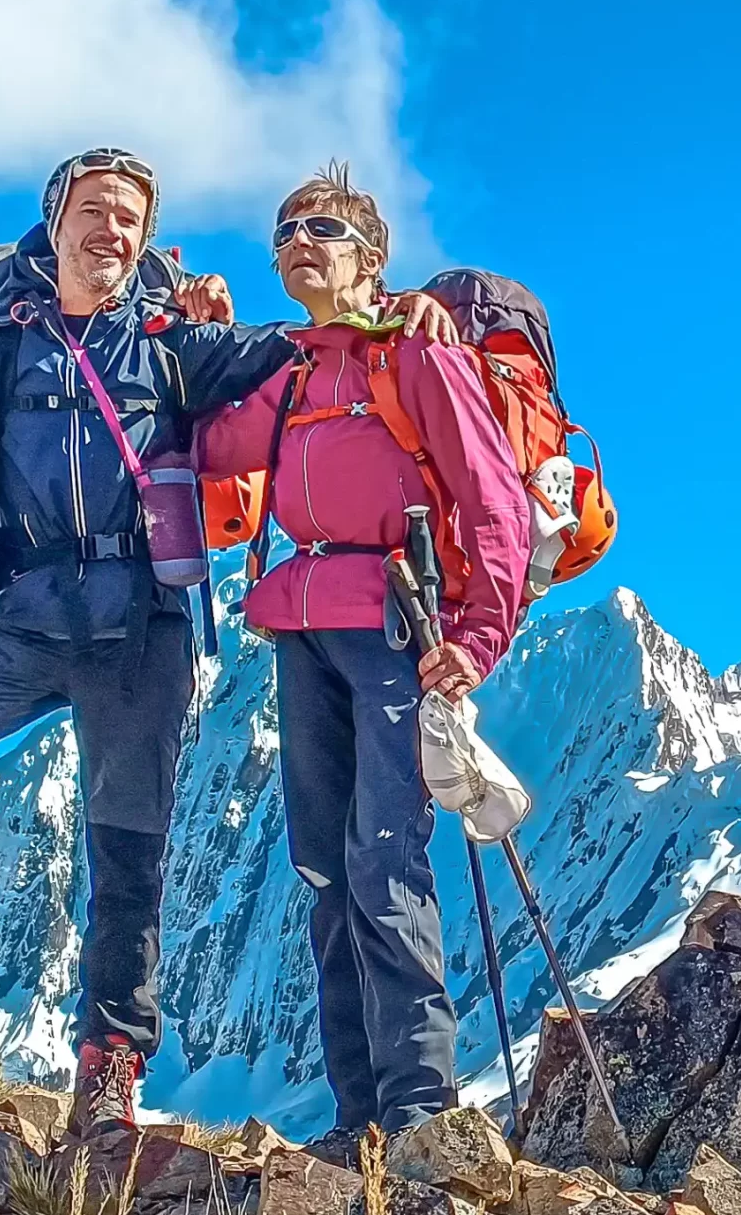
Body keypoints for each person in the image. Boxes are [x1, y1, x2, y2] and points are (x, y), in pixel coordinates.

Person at [0, 149, 452, 1136]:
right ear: (55, 222)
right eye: (95, 211)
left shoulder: (171, 347)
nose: (112, 230)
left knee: (128, 853)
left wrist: (401, 306)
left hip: (140, 632)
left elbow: (310, 350)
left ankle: (111, 1063)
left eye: (130, 217)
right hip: (24, 621)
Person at [197, 164, 530, 1138]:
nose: (300, 239)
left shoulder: (417, 357)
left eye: (325, 227)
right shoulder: (292, 370)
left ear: (372, 259)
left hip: (393, 621)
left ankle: (420, 1113)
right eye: (286, 228)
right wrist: (193, 336)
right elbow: (211, 449)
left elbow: (494, 503)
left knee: (385, 863)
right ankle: (358, 1121)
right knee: (326, 874)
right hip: (303, 627)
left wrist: (475, 637)